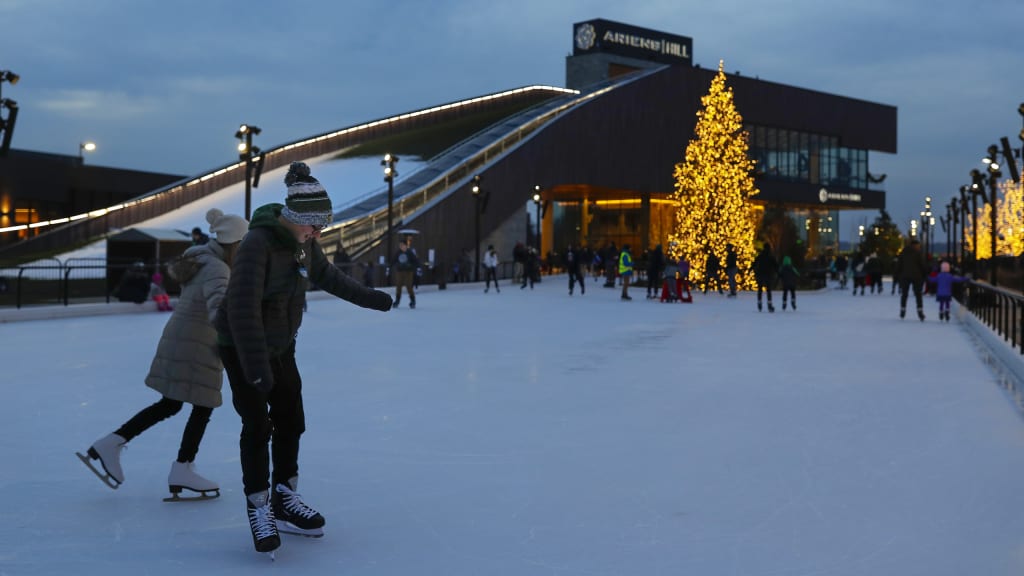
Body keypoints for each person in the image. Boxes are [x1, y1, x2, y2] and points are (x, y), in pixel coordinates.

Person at [214, 162, 393, 555]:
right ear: (296, 218)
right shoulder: (256, 245)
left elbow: (329, 277)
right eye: (315, 225)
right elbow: (241, 310)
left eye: (321, 227)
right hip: (242, 345)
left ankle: (284, 497)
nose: (319, 233)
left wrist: (372, 299)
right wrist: (256, 369)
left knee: (291, 419)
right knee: (258, 424)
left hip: (281, 344)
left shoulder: (304, 243)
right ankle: (259, 506)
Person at [78, 209, 249, 498]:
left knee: (172, 404)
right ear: (234, 243)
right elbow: (220, 309)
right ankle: (181, 466)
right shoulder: (219, 268)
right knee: (201, 404)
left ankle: (113, 443)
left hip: (183, 340)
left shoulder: (202, 259)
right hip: (197, 347)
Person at [895, 238, 928, 321]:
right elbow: (922, 265)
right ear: (916, 245)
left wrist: (897, 275)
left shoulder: (903, 252)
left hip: (905, 276)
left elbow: (899, 265)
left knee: (904, 294)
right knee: (918, 295)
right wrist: (925, 275)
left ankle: (903, 309)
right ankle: (920, 311)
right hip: (917, 276)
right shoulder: (918, 253)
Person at [391, 239, 419, 309]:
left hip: (408, 272)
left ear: (406, 246)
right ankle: (397, 301)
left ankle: (413, 301)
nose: (401, 247)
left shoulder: (410, 253)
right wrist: (391, 265)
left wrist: (411, 266)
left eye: (402, 245)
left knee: (409, 286)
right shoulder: (398, 253)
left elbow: (415, 261)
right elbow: (393, 261)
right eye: (400, 245)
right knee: (398, 286)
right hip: (400, 271)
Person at [752, 244, 778, 312]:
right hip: (768, 274)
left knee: (760, 289)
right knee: (768, 290)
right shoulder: (770, 256)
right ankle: (769, 304)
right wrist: (778, 273)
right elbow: (775, 265)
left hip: (760, 274)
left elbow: (755, 263)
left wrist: (751, 270)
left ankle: (759, 303)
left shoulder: (761, 255)